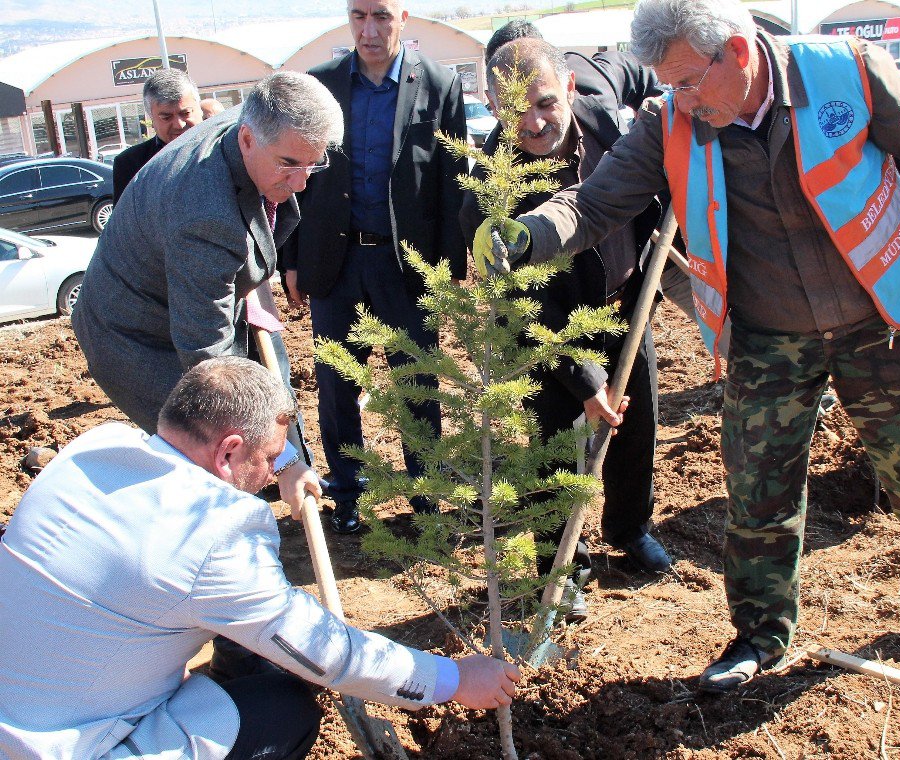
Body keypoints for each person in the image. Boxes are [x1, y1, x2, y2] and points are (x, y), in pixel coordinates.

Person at [476, 0, 900, 690]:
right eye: (669, 84)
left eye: (689, 82)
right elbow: (595, 203)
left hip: (880, 318)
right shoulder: (672, 121)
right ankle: (760, 635)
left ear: (740, 56)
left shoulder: (847, 74)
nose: (680, 99)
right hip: (768, 333)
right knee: (758, 493)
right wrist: (530, 233)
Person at [0, 357, 521, 760]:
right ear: (227, 453)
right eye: (272, 457)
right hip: (65, 747)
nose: (274, 472)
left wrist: (290, 461)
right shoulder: (212, 533)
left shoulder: (95, 448)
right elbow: (327, 653)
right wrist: (453, 680)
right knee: (284, 711)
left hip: (25, 701)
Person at [460, 38, 670, 622]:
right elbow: (519, 312)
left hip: (628, 301)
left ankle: (630, 529)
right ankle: (561, 567)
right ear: (489, 104)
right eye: (514, 110)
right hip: (550, 331)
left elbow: (658, 170)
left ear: (570, 90)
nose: (533, 121)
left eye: (546, 103)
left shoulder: (607, 124)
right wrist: (583, 381)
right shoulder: (490, 190)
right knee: (555, 447)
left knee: (638, 424)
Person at [72, 71, 336, 517]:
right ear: (248, 139)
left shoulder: (261, 118)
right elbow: (211, 366)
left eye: (315, 163)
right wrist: (284, 460)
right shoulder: (205, 214)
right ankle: (208, 559)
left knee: (266, 396)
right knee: (216, 457)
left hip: (195, 291)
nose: (303, 183)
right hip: (135, 335)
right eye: (291, 164)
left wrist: (290, 453)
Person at [281, 0, 467, 534]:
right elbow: (298, 180)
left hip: (406, 266)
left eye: (381, 16)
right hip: (335, 265)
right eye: (359, 15)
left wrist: (451, 268)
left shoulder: (438, 83)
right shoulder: (318, 86)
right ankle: (348, 495)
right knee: (337, 386)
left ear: (403, 17)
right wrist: (292, 260)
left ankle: (426, 496)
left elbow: (451, 176)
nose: (370, 29)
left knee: (417, 384)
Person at [112, 68, 202, 203]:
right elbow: (124, 222)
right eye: (166, 117)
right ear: (151, 119)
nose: (179, 125)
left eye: (186, 113)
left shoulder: (227, 148)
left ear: (199, 109)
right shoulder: (130, 164)